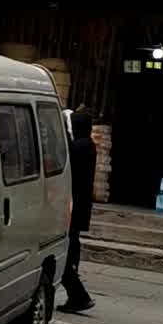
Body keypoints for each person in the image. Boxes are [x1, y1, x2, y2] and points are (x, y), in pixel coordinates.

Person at [60, 109, 97, 313]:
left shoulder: (82, 146)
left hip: (74, 207)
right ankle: (76, 294)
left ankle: (79, 296)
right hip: (78, 207)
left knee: (67, 249)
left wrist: (63, 130)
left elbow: (67, 152)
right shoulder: (87, 145)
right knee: (71, 245)